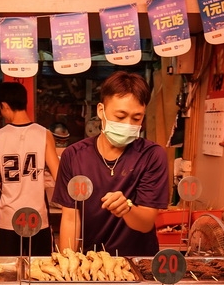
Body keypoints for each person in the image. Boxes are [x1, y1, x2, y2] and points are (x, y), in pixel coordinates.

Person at [51, 71, 169, 257]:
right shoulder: (74, 155)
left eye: (136, 118)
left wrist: (127, 209)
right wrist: (69, 264)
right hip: (91, 259)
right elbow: (71, 218)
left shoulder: (152, 155)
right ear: (101, 110)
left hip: (137, 261)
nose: (128, 124)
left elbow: (146, 222)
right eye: (120, 116)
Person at [0, 82, 60, 256]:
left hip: (7, 217)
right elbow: (58, 174)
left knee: (7, 270)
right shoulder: (44, 133)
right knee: (40, 271)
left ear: (5, 106)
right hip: (38, 217)